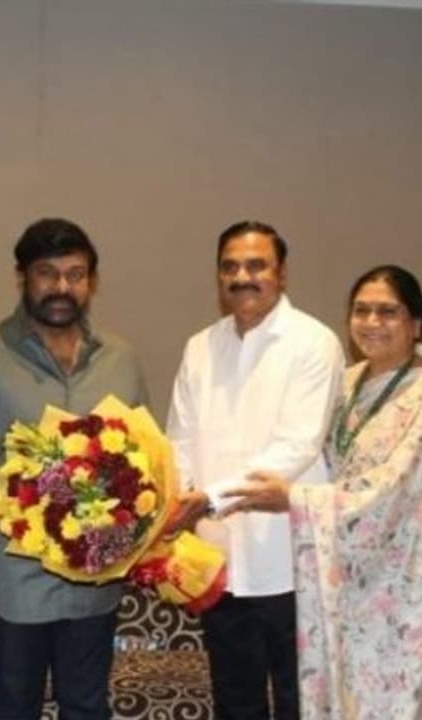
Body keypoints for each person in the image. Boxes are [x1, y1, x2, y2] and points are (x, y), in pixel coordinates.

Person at [228, 265, 422, 719]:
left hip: (403, 587)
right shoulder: (347, 382)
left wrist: (296, 500)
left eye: (388, 312)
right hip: (341, 577)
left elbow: (400, 489)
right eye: (361, 311)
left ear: (416, 324)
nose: (372, 322)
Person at [0, 218, 148, 720]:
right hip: (16, 581)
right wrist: (37, 521)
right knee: (15, 708)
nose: (61, 287)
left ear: (91, 282)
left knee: (87, 706)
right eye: (47, 274)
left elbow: (142, 458)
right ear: (23, 277)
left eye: (75, 275)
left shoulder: (120, 358)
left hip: (94, 583)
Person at [164, 221, 343, 720]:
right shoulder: (200, 347)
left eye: (256, 265)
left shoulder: (313, 342)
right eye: (230, 267)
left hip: (288, 560)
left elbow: (297, 444)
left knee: (298, 702)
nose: (242, 277)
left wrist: (209, 498)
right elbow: (179, 437)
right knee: (235, 701)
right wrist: (176, 499)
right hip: (217, 562)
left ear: (281, 274)